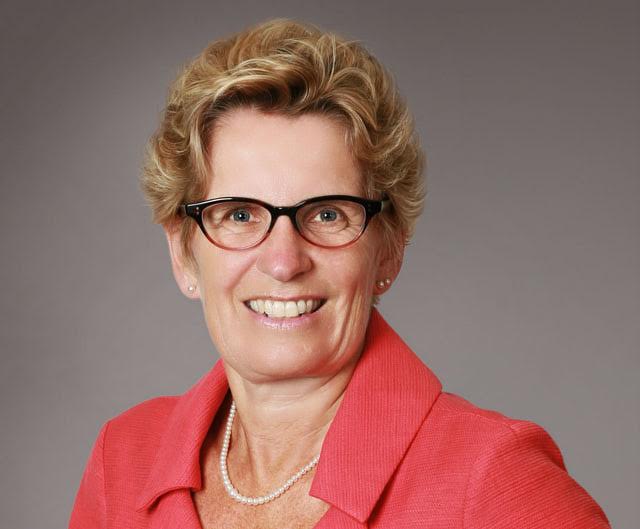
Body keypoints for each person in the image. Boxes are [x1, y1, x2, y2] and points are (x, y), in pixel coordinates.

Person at [69, 18, 610, 529]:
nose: (284, 262)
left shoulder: (495, 478)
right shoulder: (125, 459)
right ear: (183, 254)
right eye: (239, 215)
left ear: (389, 249)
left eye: (327, 215)